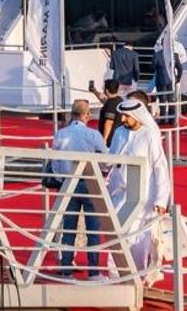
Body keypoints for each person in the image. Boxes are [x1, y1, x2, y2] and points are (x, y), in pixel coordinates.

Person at [107, 98, 173, 276]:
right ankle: (114, 277)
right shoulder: (120, 132)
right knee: (117, 235)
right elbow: (111, 159)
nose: (123, 120)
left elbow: (160, 168)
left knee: (139, 241)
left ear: (137, 116)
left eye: (127, 116)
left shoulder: (149, 135)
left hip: (144, 198)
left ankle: (138, 278)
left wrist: (160, 199)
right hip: (120, 195)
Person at [48, 99, 108, 276]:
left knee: (68, 229)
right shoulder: (93, 135)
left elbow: (55, 162)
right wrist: (102, 173)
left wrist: (61, 179)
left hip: (68, 183)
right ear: (86, 116)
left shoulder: (61, 134)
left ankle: (66, 268)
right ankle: (94, 271)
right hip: (90, 184)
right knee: (93, 230)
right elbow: (106, 159)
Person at [92, 79, 124, 147]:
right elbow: (105, 102)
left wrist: (104, 140)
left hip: (109, 141)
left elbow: (109, 123)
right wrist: (95, 91)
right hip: (117, 138)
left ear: (106, 90)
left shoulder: (110, 104)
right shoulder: (119, 100)